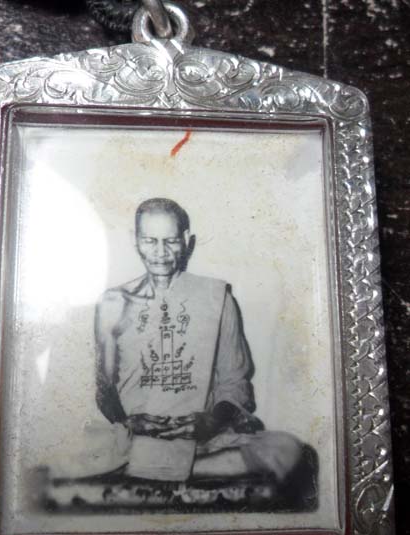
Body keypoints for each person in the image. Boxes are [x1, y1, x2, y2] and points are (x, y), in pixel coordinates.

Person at [94, 197, 305, 485]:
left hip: (201, 438)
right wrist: (130, 424)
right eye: (150, 241)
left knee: (286, 449)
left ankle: (160, 468)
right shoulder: (112, 302)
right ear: (135, 240)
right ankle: (158, 465)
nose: (160, 252)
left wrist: (210, 421)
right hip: (132, 436)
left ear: (186, 240)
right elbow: (104, 389)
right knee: (64, 454)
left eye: (170, 241)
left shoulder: (218, 298)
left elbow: (236, 382)